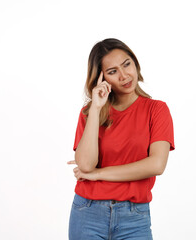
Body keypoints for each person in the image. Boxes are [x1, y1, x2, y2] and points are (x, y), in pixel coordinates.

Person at [67, 38, 175, 240]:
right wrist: (97, 108)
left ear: (135, 63)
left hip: (134, 217)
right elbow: (86, 165)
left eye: (127, 64)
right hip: (87, 212)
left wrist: (96, 175)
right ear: (101, 78)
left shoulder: (156, 110)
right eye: (112, 71)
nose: (124, 76)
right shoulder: (89, 113)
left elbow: (156, 165)